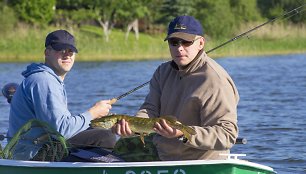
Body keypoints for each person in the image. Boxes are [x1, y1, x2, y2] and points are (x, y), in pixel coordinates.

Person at [113, 15, 239, 160]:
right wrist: (132, 128)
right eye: (174, 42)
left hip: (200, 161)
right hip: (163, 153)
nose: (179, 48)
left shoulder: (215, 80)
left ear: (201, 43)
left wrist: (182, 133)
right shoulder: (162, 72)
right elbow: (150, 109)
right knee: (114, 143)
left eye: (186, 42)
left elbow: (227, 135)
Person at [7, 29, 115, 160]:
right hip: (33, 154)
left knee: (101, 129)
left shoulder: (49, 79)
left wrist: (98, 121)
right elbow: (62, 130)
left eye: (71, 51)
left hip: (43, 145)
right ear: (47, 52)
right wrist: (92, 113)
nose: (67, 55)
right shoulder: (43, 81)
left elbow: (61, 127)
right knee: (104, 137)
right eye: (61, 50)